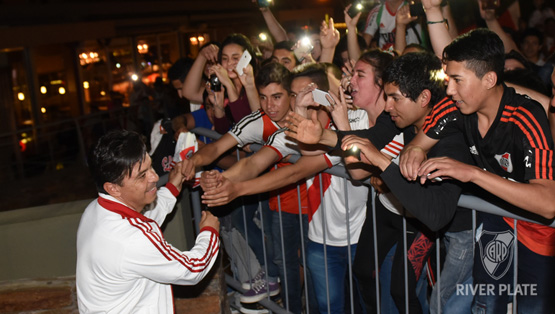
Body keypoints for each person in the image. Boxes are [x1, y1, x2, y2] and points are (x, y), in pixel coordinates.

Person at [400, 28, 555, 313]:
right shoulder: (454, 106)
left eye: (457, 80)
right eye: (447, 80)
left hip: (539, 233)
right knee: (486, 305)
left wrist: (472, 173)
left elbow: (548, 203)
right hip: (496, 221)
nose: (449, 90)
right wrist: (411, 155)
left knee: (533, 307)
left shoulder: (526, 116)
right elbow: (417, 144)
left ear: (489, 79)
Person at [339, 52, 474, 314]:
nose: (388, 106)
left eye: (395, 98)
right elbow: (366, 141)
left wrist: (384, 166)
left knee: (412, 294)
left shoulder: (451, 137)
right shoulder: (397, 120)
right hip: (391, 210)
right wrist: (321, 134)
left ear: (424, 98)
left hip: (429, 222)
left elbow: (435, 212)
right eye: (387, 97)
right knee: (364, 271)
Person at [76, 129, 220, 313]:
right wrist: (210, 232)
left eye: (150, 166)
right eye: (142, 176)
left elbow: (144, 222)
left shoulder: (96, 209)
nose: (154, 177)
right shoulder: (130, 240)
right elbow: (192, 269)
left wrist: (173, 187)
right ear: (113, 188)